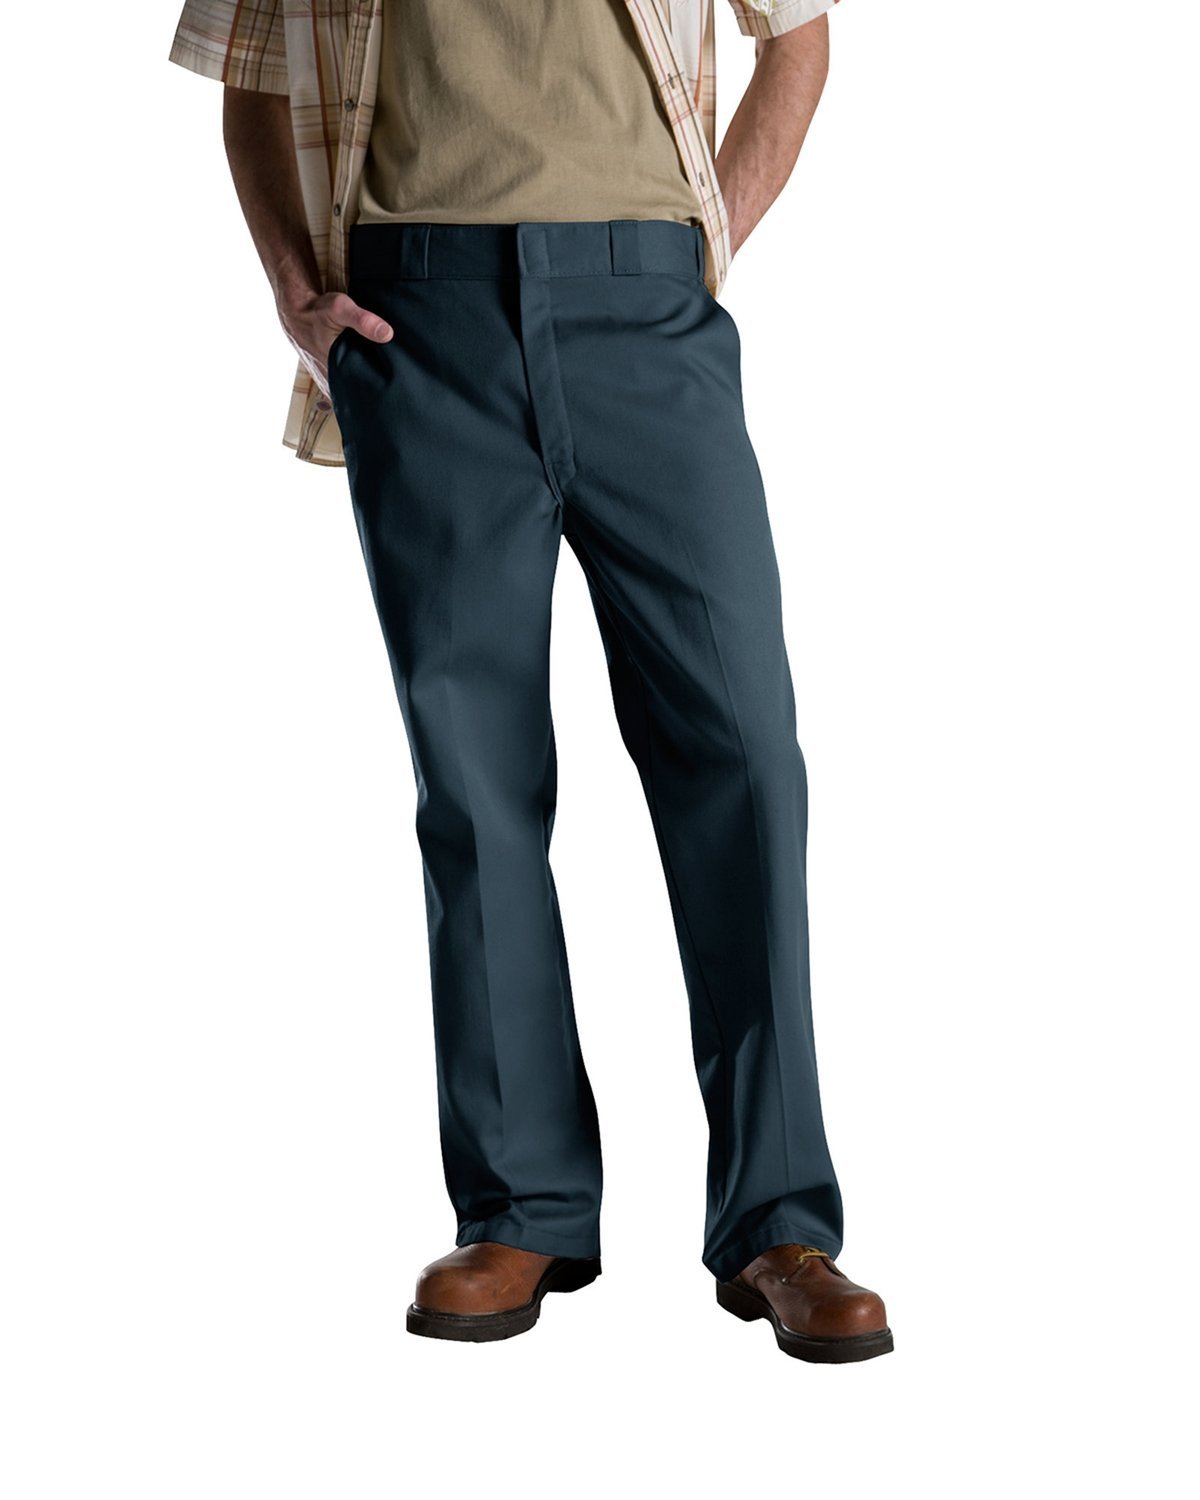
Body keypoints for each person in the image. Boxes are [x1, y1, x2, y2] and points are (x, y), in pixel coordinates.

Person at [168, 0, 893, 1363]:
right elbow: (251, 72)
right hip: (418, 315)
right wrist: (296, 299)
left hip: (647, 301)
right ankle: (520, 1209)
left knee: (745, 758)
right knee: (475, 781)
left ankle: (782, 1224)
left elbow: (796, 34)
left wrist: (705, 247)